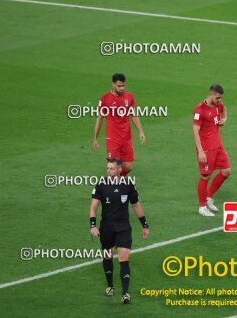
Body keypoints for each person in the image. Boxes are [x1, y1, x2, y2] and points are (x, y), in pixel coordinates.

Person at [89, 158, 149, 304]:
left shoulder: (128, 185)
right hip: (107, 227)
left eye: (111, 168)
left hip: (123, 227)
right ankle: (110, 285)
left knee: (123, 258)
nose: (108, 171)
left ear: (119, 170)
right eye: (107, 168)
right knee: (108, 255)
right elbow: (93, 207)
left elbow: (136, 205)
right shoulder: (101, 184)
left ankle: (125, 293)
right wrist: (93, 225)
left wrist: (144, 224)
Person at [93, 73, 145, 176]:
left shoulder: (129, 97)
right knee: (114, 167)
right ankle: (112, 186)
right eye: (119, 86)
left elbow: (133, 115)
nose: (122, 88)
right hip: (112, 139)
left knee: (128, 166)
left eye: (123, 85)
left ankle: (117, 179)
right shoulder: (105, 99)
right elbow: (100, 119)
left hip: (126, 138)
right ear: (113, 84)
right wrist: (95, 137)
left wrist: (141, 131)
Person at [192, 84, 231, 217]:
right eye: (218, 98)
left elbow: (224, 109)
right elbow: (195, 131)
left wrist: (224, 118)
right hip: (206, 149)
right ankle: (202, 207)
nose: (220, 101)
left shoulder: (218, 105)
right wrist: (201, 151)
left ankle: (208, 196)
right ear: (211, 95)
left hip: (218, 146)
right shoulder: (200, 110)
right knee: (205, 176)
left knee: (226, 171)